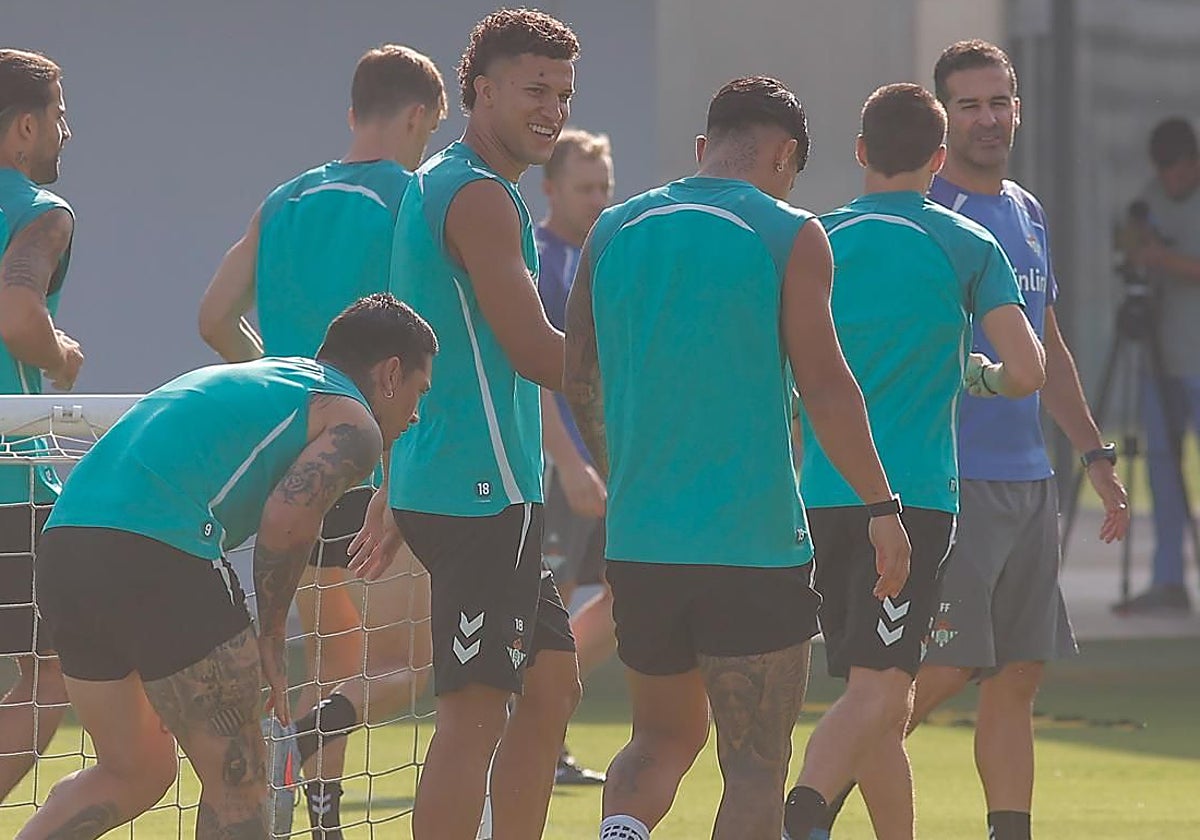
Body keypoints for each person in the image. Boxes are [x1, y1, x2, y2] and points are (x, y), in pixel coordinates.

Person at [563, 75, 911, 840]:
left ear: (703, 147)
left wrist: (623, 469)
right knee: (754, 765)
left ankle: (621, 831)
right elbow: (825, 386)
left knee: (657, 740)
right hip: (752, 545)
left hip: (642, 542)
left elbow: (578, 373)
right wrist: (883, 507)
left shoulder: (611, 230)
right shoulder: (791, 232)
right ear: (785, 156)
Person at [816, 40, 1129, 840]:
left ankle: (1007, 830)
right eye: (970, 105)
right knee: (929, 673)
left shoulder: (1024, 212)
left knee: (1019, 673)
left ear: (1017, 108)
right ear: (939, 120)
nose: (989, 118)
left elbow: (1045, 346)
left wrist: (1093, 454)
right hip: (948, 481)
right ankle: (814, 805)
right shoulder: (926, 216)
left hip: (1030, 478)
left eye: (1001, 102)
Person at [16, 294, 436, 840]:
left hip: (65, 547)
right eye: (418, 392)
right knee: (240, 780)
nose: (417, 412)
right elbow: (287, 520)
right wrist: (268, 636)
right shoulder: (353, 421)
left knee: (136, 769)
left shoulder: (272, 378)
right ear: (391, 373)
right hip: (161, 551)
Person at [784, 82, 1045, 840]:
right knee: (879, 687)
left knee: (884, 688)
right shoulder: (967, 243)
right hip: (913, 501)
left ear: (862, 152)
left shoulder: (816, 237)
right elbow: (1028, 371)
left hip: (822, 493)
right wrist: (982, 376)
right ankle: (800, 818)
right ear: (938, 158)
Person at [198, 43, 446, 837]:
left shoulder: (285, 199)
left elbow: (211, 318)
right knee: (432, 661)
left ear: (352, 113)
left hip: (291, 467)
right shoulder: (412, 197)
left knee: (337, 663)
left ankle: (325, 823)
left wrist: (285, 380)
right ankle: (305, 741)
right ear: (419, 117)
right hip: (379, 460)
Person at [347, 10, 582, 840]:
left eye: (563, 92)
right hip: (483, 495)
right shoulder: (480, 197)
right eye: (534, 89)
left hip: (458, 483)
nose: (552, 107)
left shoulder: (443, 180)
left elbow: (411, 352)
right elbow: (536, 353)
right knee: (474, 716)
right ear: (481, 93)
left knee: (552, 685)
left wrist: (391, 479)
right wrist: (663, 359)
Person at [0, 48, 82, 804]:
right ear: (25, 128)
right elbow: (20, 314)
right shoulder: (36, 210)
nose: (69, 131)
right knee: (56, 675)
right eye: (60, 116)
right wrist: (61, 353)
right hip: (11, 482)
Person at [535, 127, 615, 786]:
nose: (597, 199)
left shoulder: (606, 254)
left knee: (626, 596)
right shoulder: (538, 258)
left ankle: (544, 727)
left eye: (604, 187)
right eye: (584, 187)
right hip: (561, 464)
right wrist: (567, 458)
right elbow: (533, 374)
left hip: (611, 457)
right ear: (550, 188)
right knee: (549, 603)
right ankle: (529, 726)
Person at [1116, 116, 1200, 613]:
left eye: (1178, 170)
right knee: (1162, 472)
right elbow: (1129, 248)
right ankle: (1168, 580)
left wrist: (1161, 258)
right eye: (1163, 171)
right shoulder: (1148, 197)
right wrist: (1134, 249)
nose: (1170, 180)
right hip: (1159, 358)